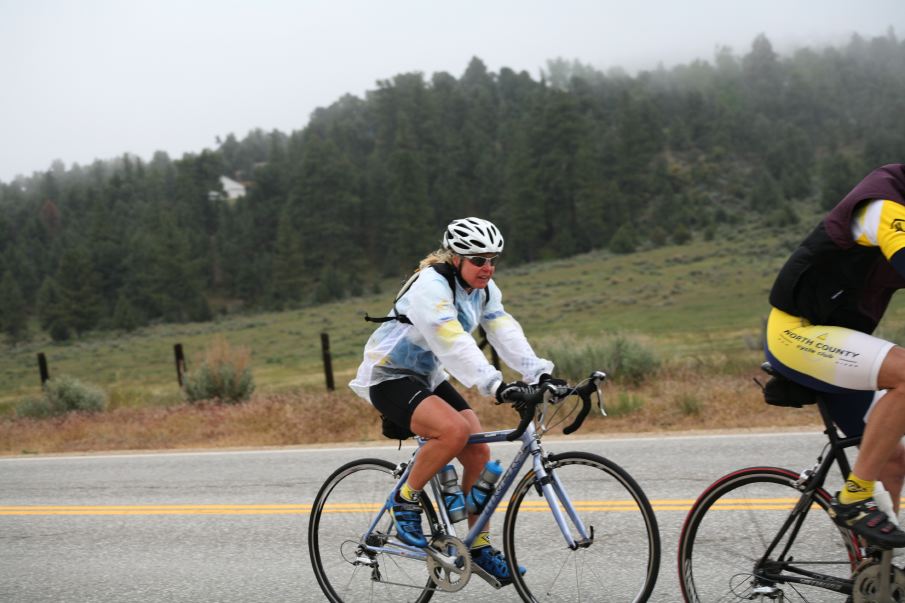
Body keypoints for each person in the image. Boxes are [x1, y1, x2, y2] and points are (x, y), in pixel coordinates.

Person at [349, 217, 554, 584]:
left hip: (427, 377)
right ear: (456, 258)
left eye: (492, 259)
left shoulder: (484, 289)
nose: (487, 267)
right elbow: (450, 339)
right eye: (478, 259)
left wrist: (538, 373)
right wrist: (494, 384)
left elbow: (503, 327)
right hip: (389, 375)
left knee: (478, 452)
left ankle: (478, 547)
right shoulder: (431, 285)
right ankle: (405, 499)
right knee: (453, 431)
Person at [766, 163, 905, 548]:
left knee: (892, 461)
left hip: (838, 344)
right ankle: (855, 497)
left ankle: (877, 579)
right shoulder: (884, 204)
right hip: (797, 333)